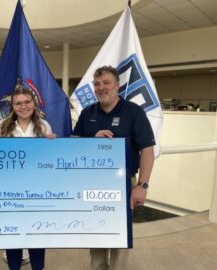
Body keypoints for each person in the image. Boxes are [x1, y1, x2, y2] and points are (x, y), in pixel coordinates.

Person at [71, 66, 155, 270]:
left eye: (106, 83)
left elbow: (147, 151)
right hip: (93, 184)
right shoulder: (87, 112)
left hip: (124, 184)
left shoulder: (134, 112)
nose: (101, 88)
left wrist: (142, 186)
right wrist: (92, 140)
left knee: (120, 237)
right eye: (97, 84)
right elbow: (73, 143)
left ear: (117, 85)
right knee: (97, 234)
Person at [0, 84, 56, 270]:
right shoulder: (2, 126)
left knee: (36, 234)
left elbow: (49, 159)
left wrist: (53, 145)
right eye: (18, 103)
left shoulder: (44, 126)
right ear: (12, 106)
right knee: (13, 235)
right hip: (11, 191)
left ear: (34, 103)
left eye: (27, 102)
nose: (23, 106)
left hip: (37, 190)